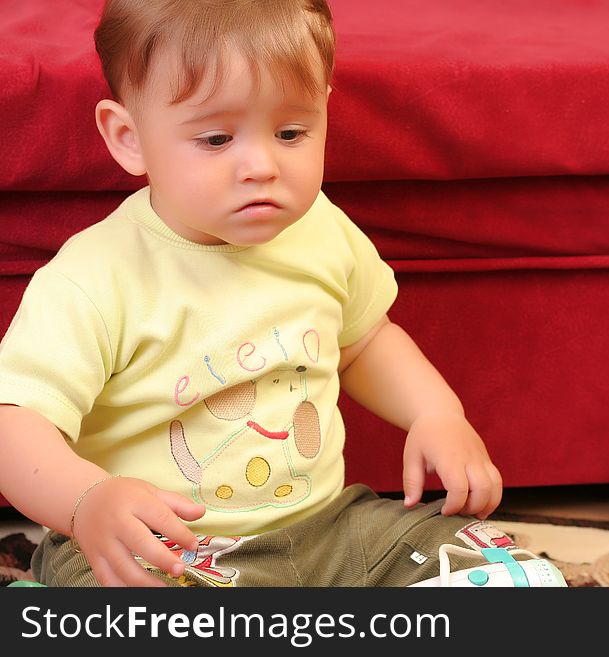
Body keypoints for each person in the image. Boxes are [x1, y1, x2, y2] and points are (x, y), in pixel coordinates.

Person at [0, 0, 504, 587]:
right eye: (216, 139)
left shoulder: (322, 228)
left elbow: (365, 341)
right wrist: (87, 500)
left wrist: (436, 413)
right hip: (163, 552)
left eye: (291, 132)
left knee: (477, 557)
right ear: (129, 137)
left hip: (323, 530)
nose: (261, 165)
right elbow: (16, 422)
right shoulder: (93, 277)